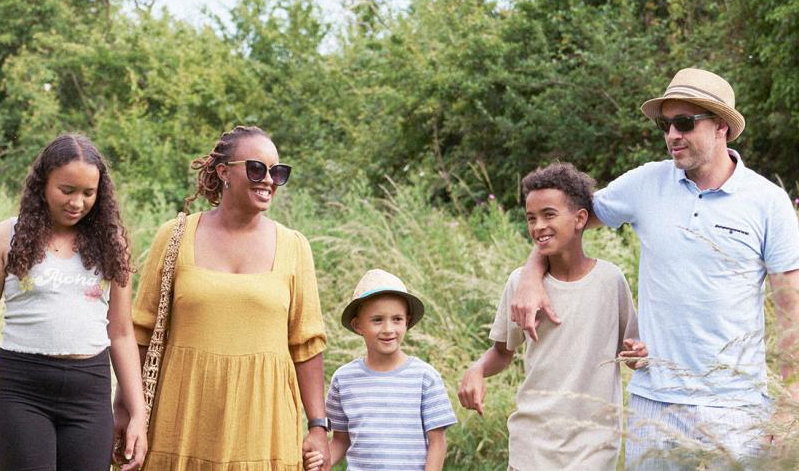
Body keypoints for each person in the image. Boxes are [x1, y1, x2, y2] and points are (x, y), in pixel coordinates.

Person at [510, 68, 799, 468]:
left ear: (721, 128)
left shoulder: (768, 202)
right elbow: (565, 223)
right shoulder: (645, 184)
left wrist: (788, 407)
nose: (672, 135)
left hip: (736, 407)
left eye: (684, 123)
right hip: (654, 401)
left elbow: (791, 313)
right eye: (666, 124)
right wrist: (530, 273)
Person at [123, 126, 329, 470]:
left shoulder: (294, 246)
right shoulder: (174, 236)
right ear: (223, 172)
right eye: (256, 168)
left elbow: (306, 345)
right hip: (182, 415)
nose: (268, 180)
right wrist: (126, 409)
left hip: (264, 422)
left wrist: (318, 427)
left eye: (278, 172)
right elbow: (141, 332)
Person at [0, 134, 147, 471]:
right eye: (66, 190)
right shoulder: (5, 237)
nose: (77, 202)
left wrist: (138, 414)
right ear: (43, 185)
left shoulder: (111, 242)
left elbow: (122, 333)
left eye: (88, 193)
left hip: (89, 394)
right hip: (23, 393)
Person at [457, 163, 647, 470]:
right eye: (531, 218)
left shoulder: (611, 281)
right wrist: (476, 370)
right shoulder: (520, 283)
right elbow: (502, 352)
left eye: (549, 214)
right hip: (531, 443)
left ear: (580, 219)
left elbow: (632, 354)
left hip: (593, 447)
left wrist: (637, 354)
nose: (538, 226)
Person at [309, 269, 458, 471]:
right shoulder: (343, 379)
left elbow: (437, 443)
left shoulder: (425, 377)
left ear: (407, 322)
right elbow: (340, 441)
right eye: (377, 320)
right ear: (358, 325)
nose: (388, 329)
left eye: (397, 319)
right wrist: (321, 462)